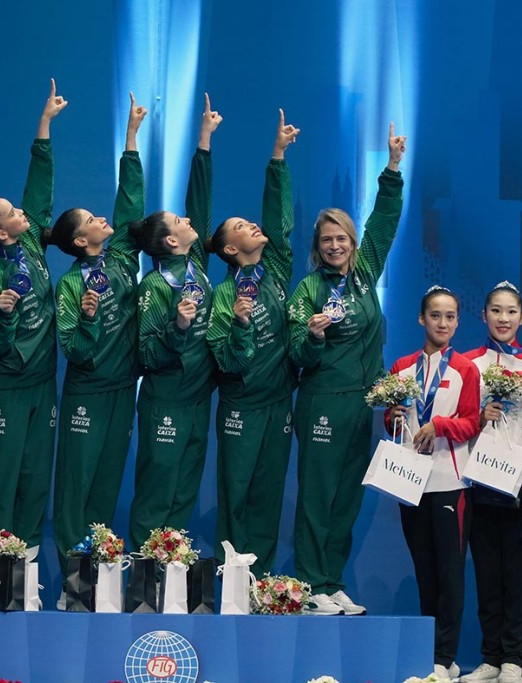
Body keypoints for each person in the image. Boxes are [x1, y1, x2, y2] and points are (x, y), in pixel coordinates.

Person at [287, 122, 406, 615]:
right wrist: (313, 336)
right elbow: (296, 352)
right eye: (326, 240)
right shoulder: (308, 290)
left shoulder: (364, 274)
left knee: (347, 499)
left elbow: (385, 221)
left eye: (341, 238)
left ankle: (332, 581)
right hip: (322, 403)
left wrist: (392, 168)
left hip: (361, 405)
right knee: (318, 496)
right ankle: (308, 583)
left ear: (353, 242)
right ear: (317, 246)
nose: (334, 246)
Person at [0, 78, 66, 556]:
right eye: (12, 212)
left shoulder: (31, 246)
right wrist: (3, 315)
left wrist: (44, 125)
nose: (22, 211)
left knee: (34, 482)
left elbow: (39, 190)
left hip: (42, 386)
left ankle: (26, 573)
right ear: (0, 233)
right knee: (2, 482)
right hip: (5, 388)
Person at [48, 93, 146, 578]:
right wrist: (87, 318)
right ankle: (73, 578)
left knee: (107, 485)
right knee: (76, 488)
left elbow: (130, 206)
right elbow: (73, 349)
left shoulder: (123, 259)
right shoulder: (70, 284)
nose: (100, 219)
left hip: (122, 391)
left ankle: (101, 575)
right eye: (91, 221)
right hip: (86, 394)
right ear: (79, 241)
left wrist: (131, 138)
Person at [204, 109, 299, 575]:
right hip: (241, 408)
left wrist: (277, 156)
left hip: (278, 406)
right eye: (241, 227)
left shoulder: (275, 271)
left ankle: (262, 583)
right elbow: (226, 360)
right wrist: (240, 325)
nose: (252, 227)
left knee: (268, 496)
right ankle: (232, 581)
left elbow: (278, 221)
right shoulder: (223, 295)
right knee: (236, 496)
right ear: (229, 249)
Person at [128, 93, 221, 551]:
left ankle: (174, 568)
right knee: (156, 491)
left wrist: (204, 140)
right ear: (169, 240)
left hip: (199, 399)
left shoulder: (196, 264)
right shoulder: (153, 286)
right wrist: (178, 329)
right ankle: (143, 577)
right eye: (178, 221)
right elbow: (145, 353)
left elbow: (198, 204)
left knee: (184, 492)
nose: (188, 221)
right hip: (166, 399)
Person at [459, 281, 522, 683]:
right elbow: (462, 418)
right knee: (486, 571)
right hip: (480, 476)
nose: (503, 318)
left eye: (511, 312)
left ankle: (514, 659)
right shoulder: (468, 363)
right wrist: (480, 416)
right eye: (496, 311)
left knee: (517, 572)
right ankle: (490, 657)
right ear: (484, 315)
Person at [386, 286, 481, 682]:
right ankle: (431, 655)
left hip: (449, 482)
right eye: (435, 316)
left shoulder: (465, 369)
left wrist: (439, 425)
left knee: (449, 574)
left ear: (457, 323)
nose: (442, 323)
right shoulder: (401, 367)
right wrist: (392, 416)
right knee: (424, 571)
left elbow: (472, 422)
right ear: (421, 319)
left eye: (450, 317)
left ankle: (445, 657)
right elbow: (392, 421)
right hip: (409, 482)